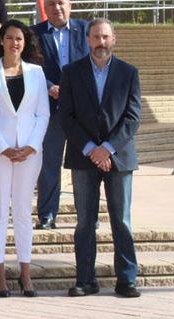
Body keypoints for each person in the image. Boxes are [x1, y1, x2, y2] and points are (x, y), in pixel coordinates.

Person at [58, 18, 142, 299]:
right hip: (84, 159)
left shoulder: (129, 73)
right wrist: (92, 149)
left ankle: (127, 279)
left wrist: (107, 148)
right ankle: (85, 279)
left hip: (119, 158)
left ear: (114, 39)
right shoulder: (71, 73)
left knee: (122, 221)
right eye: (96, 37)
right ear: (87, 40)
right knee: (84, 222)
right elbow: (65, 116)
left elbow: (132, 118)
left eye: (105, 37)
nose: (100, 42)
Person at [0, 20, 49, 297]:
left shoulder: (37, 73)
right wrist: (3, 146)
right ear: (1, 41)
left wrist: (31, 146)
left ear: (25, 42)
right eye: (9, 38)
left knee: (22, 211)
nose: (14, 43)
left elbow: (43, 113)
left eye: (19, 39)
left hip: (29, 153)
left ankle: (25, 274)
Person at [31, 0, 90, 229]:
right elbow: (28, 66)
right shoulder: (35, 34)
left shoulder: (86, 30)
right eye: (51, 4)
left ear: (70, 5)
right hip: (50, 108)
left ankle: (87, 216)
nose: (57, 8)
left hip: (81, 112)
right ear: (45, 8)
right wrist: (47, 86)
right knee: (49, 164)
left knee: (83, 165)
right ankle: (47, 214)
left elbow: (94, 62)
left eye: (61, 3)